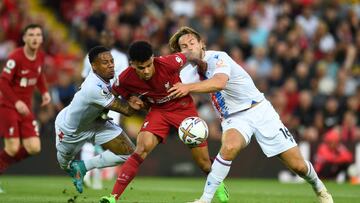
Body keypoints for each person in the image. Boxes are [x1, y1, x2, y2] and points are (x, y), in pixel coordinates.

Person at [167, 26, 334, 203]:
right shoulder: (186, 74)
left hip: (259, 110)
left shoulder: (219, 57)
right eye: (184, 46)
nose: (189, 48)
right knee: (229, 147)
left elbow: (219, 82)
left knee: (298, 166)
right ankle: (204, 200)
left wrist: (187, 88)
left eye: (192, 42)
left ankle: (320, 188)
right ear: (180, 53)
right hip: (234, 119)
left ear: (202, 44)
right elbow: (166, 90)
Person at [99, 41, 229, 203]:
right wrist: (129, 98)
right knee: (141, 149)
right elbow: (112, 95)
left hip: (183, 108)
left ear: (153, 58)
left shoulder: (168, 63)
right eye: (141, 68)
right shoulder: (125, 78)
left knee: (203, 163)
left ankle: (218, 182)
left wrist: (201, 65)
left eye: (149, 65)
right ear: (132, 64)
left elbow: (189, 55)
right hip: (158, 112)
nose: (146, 71)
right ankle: (113, 197)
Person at [55, 46, 142, 193]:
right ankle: (73, 168)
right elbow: (127, 110)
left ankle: (83, 166)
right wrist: (140, 101)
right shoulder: (93, 87)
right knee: (64, 165)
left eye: (111, 61)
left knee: (129, 154)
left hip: (96, 123)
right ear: (94, 66)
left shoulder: (108, 77)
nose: (110, 65)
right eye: (105, 62)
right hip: (71, 129)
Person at [80, 30, 129, 190]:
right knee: (90, 137)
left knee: (108, 139)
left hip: (113, 103)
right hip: (94, 101)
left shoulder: (120, 58)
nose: (106, 38)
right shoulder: (91, 57)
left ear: (113, 39)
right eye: (104, 36)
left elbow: (125, 81)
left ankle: (97, 174)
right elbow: (84, 79)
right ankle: (86, 174)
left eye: (109, 36)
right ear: (100, 38)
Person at [0, 24, 51, 176]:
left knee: (34, 147)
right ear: (24, 38)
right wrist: (16, 102)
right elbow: (2, 82)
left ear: (41, 39)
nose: (34, 38)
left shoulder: (41, 56)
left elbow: (39, 74)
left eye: (37, 35)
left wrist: (44, 92)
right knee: (13, 147)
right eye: (31, 35)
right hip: (9, 106)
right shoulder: (15, 57)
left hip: (26, 108)